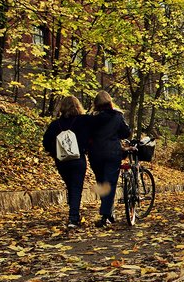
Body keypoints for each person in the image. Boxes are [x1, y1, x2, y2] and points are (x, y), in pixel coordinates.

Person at [42, 96, 91, 228]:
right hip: (78, 159)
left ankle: (73, 212)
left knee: (70, 185)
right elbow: (90, 136)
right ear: (77, 106)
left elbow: (46, 142)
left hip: (62, 161)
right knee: (76, 187)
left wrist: (54, 152)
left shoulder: (55, 124)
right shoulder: (83, 121)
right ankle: (73, 217)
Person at [88, 90, 131, 227]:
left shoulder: (91, 119)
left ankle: (108, 211)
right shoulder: (117, 116)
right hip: (112, 153)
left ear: (96, 104)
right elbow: (126, 133)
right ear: (109, 101)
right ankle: (106, 213)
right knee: (110, 183)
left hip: (95, 154)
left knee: (102, 184)